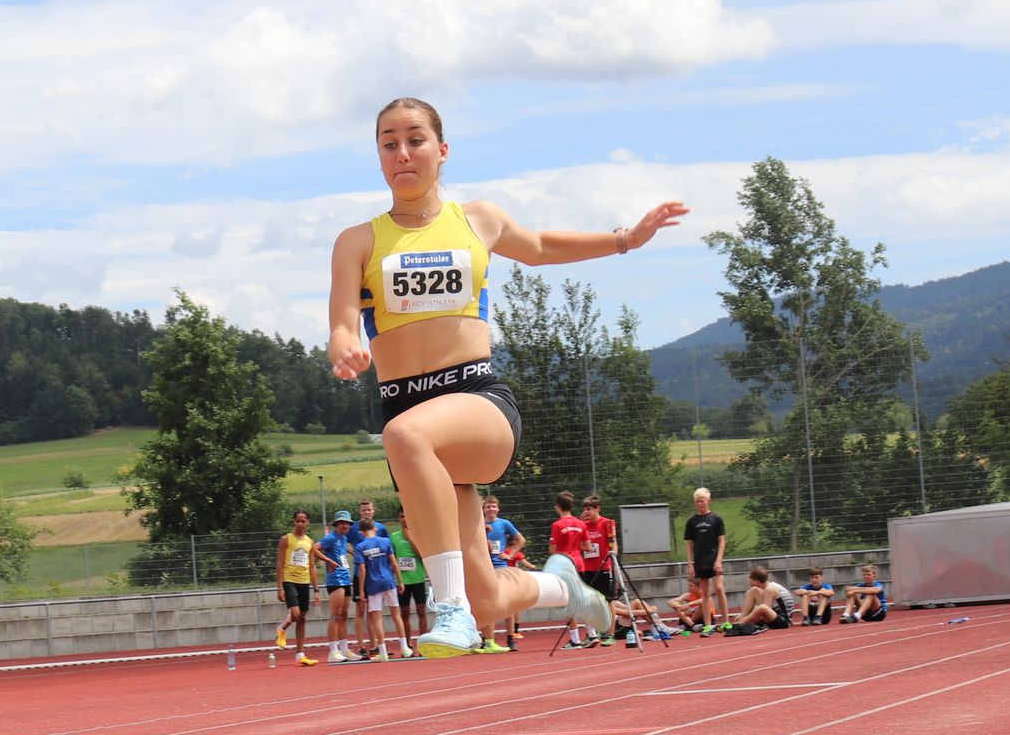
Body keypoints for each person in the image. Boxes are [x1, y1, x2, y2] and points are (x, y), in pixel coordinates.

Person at [325, 97, 677, 657]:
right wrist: (346, 348)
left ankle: (448, 610)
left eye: (415, 139)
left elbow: (538, 247)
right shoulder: (358, 242)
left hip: (475, 400)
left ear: (442, 151)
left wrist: (624, 240)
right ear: (379, 157)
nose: (403, 152)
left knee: (407, 438)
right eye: (389, 143)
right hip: (409, 413)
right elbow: (343, 324)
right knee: (488, 598)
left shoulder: (477, 219)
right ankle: (567, 587)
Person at [312, 511, 364, 662]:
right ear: (336, 524)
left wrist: (350, 551)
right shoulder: (330, 538)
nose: (345, 525)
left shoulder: (344, 538)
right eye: (342, 523)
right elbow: (314, 549)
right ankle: (333, 651)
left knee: (344, 614)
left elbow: (340, 551)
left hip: (346, 578)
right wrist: (329, 561)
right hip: (335, 580)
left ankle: (344, 648)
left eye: (347, 523)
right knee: (335, 614)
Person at [271, 510, 321, 664]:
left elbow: (312, 566)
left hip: (304, 581)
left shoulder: (309, 542)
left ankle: (300, 655)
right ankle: (283, 628)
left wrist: (316, 589)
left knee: (302, 618)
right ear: (294, 522)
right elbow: (279, 563)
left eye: (303, 521)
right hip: (289, 580)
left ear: (308, 523)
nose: (300, 524)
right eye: (298, 521)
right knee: (296, 613)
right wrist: (279, 587)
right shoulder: (286, 539)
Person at [480, 495, 527, 651]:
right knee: (486, 603)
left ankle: (510, 638)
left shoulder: (504, 523)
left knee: (508, 603)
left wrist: (511, 554)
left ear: (498, 509)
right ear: (484, 509)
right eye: (488, 507)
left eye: (494, 506)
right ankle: (486, 639)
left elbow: (521, 540)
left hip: (502, 565)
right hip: (485, 566)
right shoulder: (479, 524)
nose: (491, 509)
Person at [547, 491, 593, 648]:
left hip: (565, 566)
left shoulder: (557, 525)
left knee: (568, 602)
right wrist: (575, 546)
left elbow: (553, 550)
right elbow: (588, 546)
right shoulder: (581, 524)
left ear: (558, 507)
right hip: (579, 564)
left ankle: (575, 639)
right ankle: (592, 634)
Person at [681, 488, 728, 633]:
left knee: (719, 588)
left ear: (708, 501)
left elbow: (721, 540)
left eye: (702, 501)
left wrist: (719, 560)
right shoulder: (692, 522)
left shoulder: (716, 519)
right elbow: (689, 543)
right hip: (700, 559)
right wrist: (690, 563)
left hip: (714, 557)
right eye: (697, 502)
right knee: (705, 593)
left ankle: (726, 621)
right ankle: (708, 625)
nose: (700, 504)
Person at [355, 515, 401, 660]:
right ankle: (405, 647)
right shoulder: (386, 541)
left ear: (361, 532)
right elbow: (393, 563)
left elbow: (362, 570)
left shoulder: (360, 546)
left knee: (377, 619)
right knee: (396, 615)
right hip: (389, 581)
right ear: (375, 528)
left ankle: (382, 651)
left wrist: (362, 590)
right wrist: (400, 580)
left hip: (373, 585)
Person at [388, 504, 426, 657]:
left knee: (421, 610)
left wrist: (410, 538)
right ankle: (407, 645)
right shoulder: (394, 537)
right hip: (402, 580)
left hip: (417, 578)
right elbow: (392, 559)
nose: (405, 520)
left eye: (407, 516)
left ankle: (422, 644)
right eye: (402, 517)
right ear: (399, 518)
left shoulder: (418, 534)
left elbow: (422, 554)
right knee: (404, 612)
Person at [578, 493, 618, 630]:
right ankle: (591, 634)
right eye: (584, 509)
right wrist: (579, 522)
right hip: (588, 569)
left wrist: (613, 554)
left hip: (604, 568)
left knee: (609, 601)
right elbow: (576, 542)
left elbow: (613, 543)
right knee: (589, 602)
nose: (586, 512)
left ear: (597, 509)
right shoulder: (583, 526)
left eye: (588, 509)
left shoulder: (607, 523)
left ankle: (611, 633)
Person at [730, 566, 794, 634]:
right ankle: (742, 618)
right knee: (753, 591)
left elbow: (765, 609)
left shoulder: (769, 589)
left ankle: (740, 624)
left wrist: (749, 617)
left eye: (751, 581)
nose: (750, 583)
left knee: (762, 608)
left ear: (756, 581)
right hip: (776, 614)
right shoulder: (768, 586)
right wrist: (745, 615)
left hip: (783, 621)